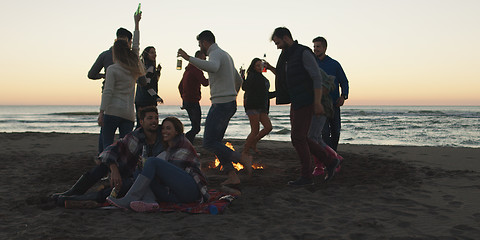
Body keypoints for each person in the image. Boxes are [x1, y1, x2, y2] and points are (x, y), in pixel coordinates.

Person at [177, 30, 252, 190]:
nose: (200, 47)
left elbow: (213, 67)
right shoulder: (226, 55)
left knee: (209, 142)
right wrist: (233, 95)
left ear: (205, 43)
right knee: (216, 143)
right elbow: (238, 80)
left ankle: (242, 159)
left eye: (199, 44)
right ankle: (232, 176)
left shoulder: (216, 54)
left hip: (221, 104)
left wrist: (189, 58)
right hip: (228, 103)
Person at [267, 27, 340, 186]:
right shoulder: (287, 56)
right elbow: (284, 76)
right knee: (302, 138)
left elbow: (315, 77)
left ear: (286, 38)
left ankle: (307, 176)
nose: (277, 46)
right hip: (296, 101)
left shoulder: (303, 53)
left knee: (298, 138)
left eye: (278, 42)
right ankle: (329, 161)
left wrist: (317, 102)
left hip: (306, 101)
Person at [51, 106, 164, 205]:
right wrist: (114, 169)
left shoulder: (163, 136)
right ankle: (72, 192)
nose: (154, 121)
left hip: (141, 180)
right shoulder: (135, 136)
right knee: (103, 167)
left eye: (156, 118)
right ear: (142, 121)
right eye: (150, 118)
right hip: (127, 173)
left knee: (125, 185)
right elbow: (111, 149)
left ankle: (77, 199)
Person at [107, 117, 209, 212]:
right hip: (175, 196)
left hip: (189, 190)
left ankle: (130, 197)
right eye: (163, 128)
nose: (164, 131)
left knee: (151, 162)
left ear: (177, 131)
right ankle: (150, 201)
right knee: (139, 169)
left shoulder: (183, 143)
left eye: (168, 128)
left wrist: (152, 169)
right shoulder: (169, 149)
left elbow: (174, 172)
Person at [98, 13, 144, 150]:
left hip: (112, 111)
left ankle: (109, 170)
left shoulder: (112, 69)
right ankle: (121, 170)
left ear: (115, 53)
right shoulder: (133, 69)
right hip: (128, 113)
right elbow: (136, 46)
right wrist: (136, 23)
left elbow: (108, 92)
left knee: (107, 146)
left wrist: (101, 112)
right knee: (124, 148)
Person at [87, 27, 133, 154]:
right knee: (124, 140)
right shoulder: (131, 60)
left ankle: (102, 158)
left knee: (106, 134)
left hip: (109, 100)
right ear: (127, 40)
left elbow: (91, 74)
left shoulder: (105, 55)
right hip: (127, 105)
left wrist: (104, 76)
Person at [312, 37, 349, 151]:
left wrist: (343, 96)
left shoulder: (334, 64)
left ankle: (333, 152)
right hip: (320, 104)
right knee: (324, 132)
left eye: (318, 46)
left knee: (336, 131)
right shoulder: (312, 64)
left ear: (325, 48)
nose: (315, 49)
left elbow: (344, 81)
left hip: (334, 104)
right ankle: (329, 155)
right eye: (314, 47)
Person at [242, 58, 274, 154]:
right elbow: (245, 87)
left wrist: (279, 93)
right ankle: (245, 151)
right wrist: (243, 77)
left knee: (268, 127)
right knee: (255, 130)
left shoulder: (262, 78)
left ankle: (253, 143)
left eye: (261, 65)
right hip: (253, 106)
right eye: (257, 65)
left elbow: (266, 94)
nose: (260, 67)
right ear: (253, 67)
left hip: (262, 107)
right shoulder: (252, 76)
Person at [178, 50, 209, 144]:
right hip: (193, 101)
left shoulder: (188, 69)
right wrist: (214, 76)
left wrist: (184, 99)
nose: (205, 61)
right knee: (196, 128)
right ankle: (183, 143)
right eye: (204, 59)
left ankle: (185, 144)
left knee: (195, 127)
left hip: (188, 101)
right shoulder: (196, 69)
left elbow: (180, 86)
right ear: (199, 59)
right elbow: (205, 83)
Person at [135, 46, 164, 128]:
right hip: (146, 100)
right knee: (147, 123)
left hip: (139, 98)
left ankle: (134, 139)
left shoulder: (143, 67)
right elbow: (147, 85)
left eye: (155, 52)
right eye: (152, 52)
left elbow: (151, 81)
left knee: (141, 122)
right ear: (146, 54)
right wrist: (156, 96)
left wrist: (158, 72)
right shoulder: (150, 67)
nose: (155, 54)